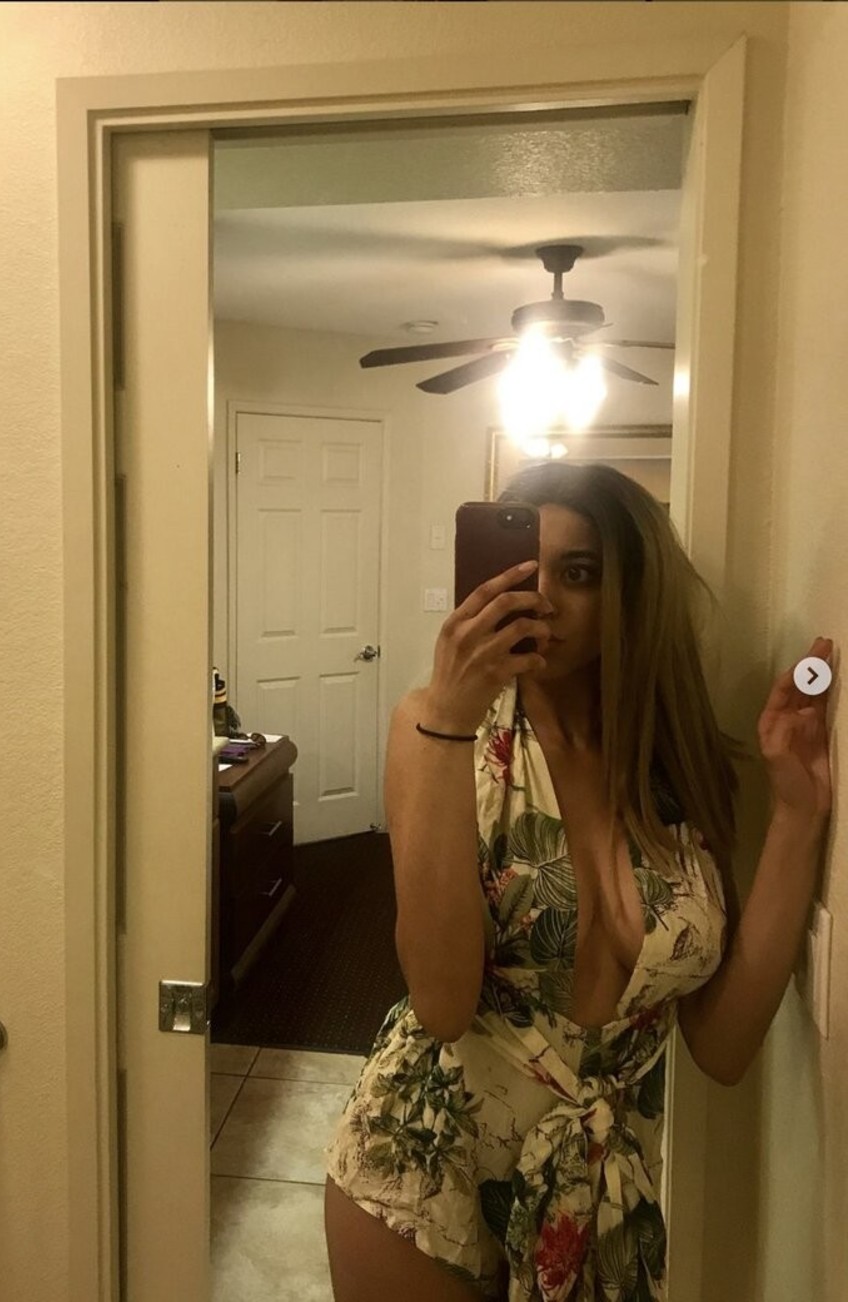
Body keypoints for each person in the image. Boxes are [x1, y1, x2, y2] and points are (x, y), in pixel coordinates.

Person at [322, 461, 833, 1301]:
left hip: (594, 1201)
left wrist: (799, 815)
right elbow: (442, 1003)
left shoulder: (677, 770)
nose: (545, 598)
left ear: (633, 591)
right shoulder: (438, 731)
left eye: (581, 573)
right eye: (527, 570)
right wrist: (450, 717)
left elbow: (724, 1048)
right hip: (422, 1177)